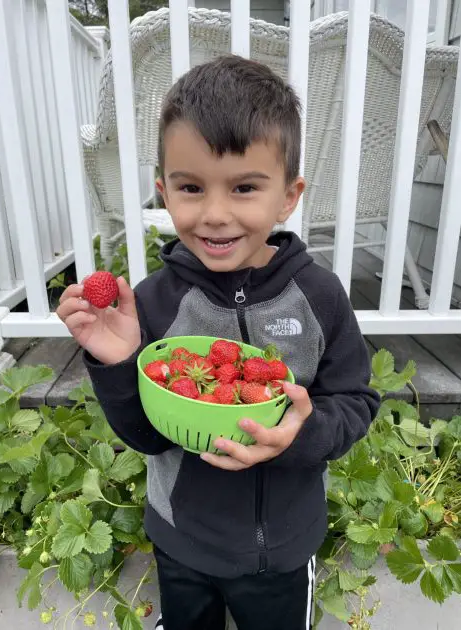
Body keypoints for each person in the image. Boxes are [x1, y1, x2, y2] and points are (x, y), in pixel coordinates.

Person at [57, 55, 380, 630]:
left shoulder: (320, 295)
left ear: (288, 196)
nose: (214, 214)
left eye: (245, 187)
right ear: (164, 191)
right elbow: (145, 436)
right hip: (182, 537)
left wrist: (303, 433)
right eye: (190, 187)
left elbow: (355, 399)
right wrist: (119, 362)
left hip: (283, 546)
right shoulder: (156, 300)